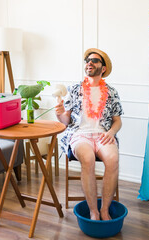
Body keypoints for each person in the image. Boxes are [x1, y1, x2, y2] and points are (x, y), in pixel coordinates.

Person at [55, 48, 123, 221]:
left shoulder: (112, 92)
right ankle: (93, 211)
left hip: (103, 134)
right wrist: (59, 113)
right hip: (80, 135)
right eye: (87, 60)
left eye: (94, 60)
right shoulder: (75, 89)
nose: (89, 63)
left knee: (113, 160)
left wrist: (111, 132)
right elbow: (65, 122)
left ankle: (105, 209)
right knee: (88, 159)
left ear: (104, 68)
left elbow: (117, 120)